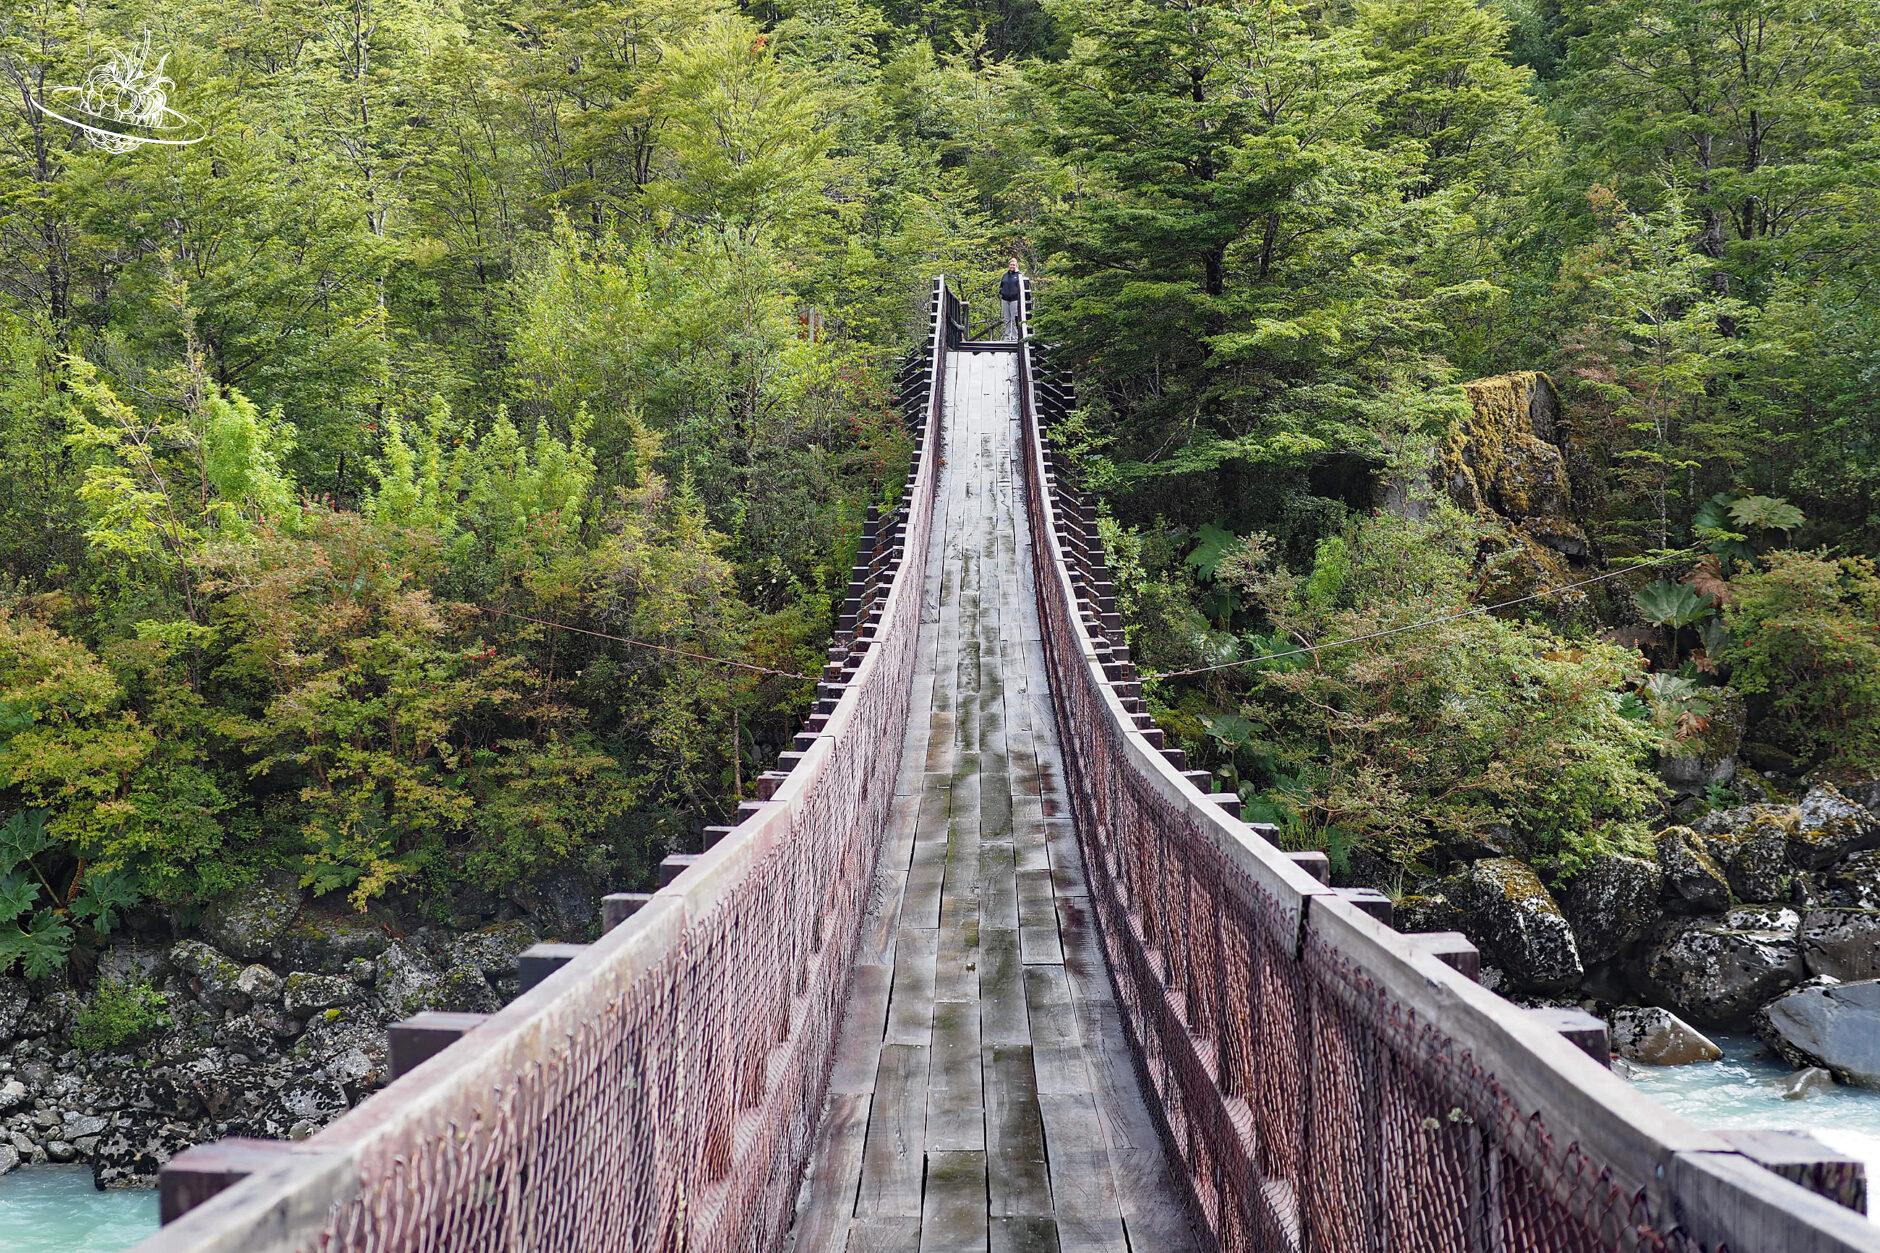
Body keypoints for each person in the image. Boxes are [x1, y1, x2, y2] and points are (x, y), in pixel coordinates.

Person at [999, 258, 1023, 340]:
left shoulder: (1019, 275)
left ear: (1016, 266)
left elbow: (1022, 288)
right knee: (1006, 319)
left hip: (1014, 300)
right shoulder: (1005, 275)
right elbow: (1001, 286)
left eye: (1014, 265)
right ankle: (1006, 337)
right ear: (1008, 265)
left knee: (1014, 319)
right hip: (1005, 299)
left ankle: (1015, 337)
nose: (1012, 266)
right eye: (1011, 264)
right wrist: (1001, 292)